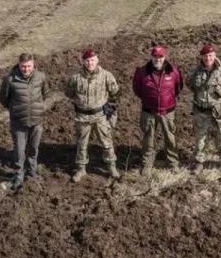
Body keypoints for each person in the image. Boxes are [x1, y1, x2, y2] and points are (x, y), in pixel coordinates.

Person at [65, 49, 121, 182]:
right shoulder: (76, 78)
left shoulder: (106, 75)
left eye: (92, 60)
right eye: (87, 60)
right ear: (83, 61)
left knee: (106, 142)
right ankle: (81, 169)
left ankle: (111, 166)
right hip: (82, 116)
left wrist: (112, 111)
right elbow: (68, 92)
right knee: (81, 144)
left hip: (100, 116)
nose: (90, 63)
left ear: (97, 60)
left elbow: (115, 93)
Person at [0, 53, 48, 190]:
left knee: (33, 149)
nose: (26, 69)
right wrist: (16, 109)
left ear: (33, 65)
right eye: (23, 66)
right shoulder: (10, 79)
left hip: (36, 120)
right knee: (20, 151)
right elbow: (4, 99)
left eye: (28, 66)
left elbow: (46, 93)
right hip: (18, 122)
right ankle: (18, 176)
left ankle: (32, 173)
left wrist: (36, 108)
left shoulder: (41, 77)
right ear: (19, 65)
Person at [132, 45, 183, 175]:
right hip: (148, 112)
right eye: (155, 56)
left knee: (170, 138)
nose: (158, 59)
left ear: (165, 57)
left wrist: (167, 100)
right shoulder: (142, 72)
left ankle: (173, 163)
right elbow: (137, 90)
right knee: (148, 138)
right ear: (151, 57)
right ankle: (147, 163)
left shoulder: (174, 72)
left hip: (168, 112)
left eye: (160, 57)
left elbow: (178, 88)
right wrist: (150, 101)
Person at [189, 44, 221, 176]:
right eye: (205, 56)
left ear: (215, 55)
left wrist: (219, 100)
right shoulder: (195, 71)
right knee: (200, 138)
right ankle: (199, 163)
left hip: (218, 111)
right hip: (201, 111)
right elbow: (190, 85)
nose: (208, 58)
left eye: (210, 55)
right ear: (202, 57)